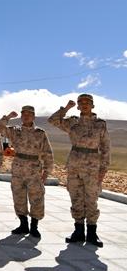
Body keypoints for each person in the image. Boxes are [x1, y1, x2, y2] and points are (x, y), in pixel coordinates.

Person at [48, 94, 110, 247]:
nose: (84, 105)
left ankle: (92, 233)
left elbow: (106, 148)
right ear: (78, 106)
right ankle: (78, 231)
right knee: (75, 198)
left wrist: (103, 170)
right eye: (80, 102)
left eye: (87, 102)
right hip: (74, 166)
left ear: (92, 105)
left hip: (92, 167)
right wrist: (66, 108)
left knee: (91, 199)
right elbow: (53, 120)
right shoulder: (72, 122)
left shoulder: (100, 124)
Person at [0, 106, 53, 238]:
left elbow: (48, 153)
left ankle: (34, 226)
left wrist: (46, 171)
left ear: (33, 117)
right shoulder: (15, 131)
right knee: (18, 197)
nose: (26, 116)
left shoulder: (40, 133)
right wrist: (8, 117)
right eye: (24, 114)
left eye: (29, 114)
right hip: (18, 169)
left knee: (37, 198)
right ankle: (23, 224)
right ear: (21, 117)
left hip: (34, 171)